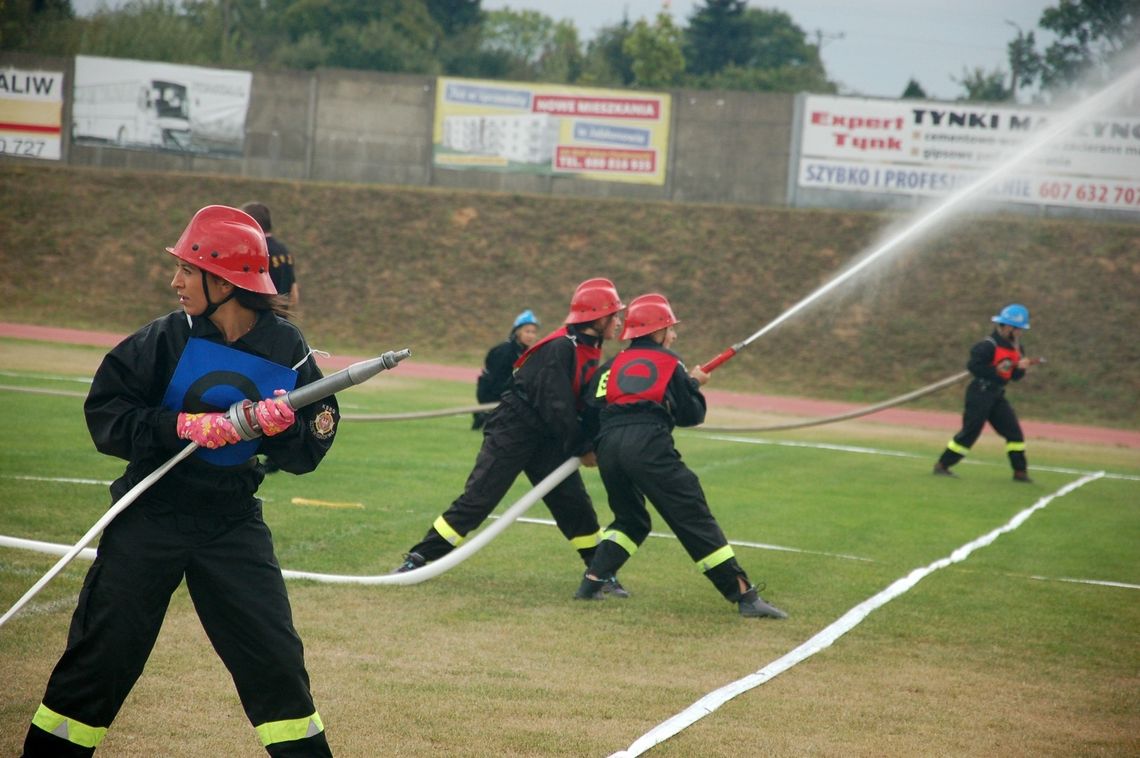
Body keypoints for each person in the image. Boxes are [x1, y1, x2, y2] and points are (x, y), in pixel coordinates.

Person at [22, 206, 340, 757]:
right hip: (151, 516)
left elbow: (311, 446)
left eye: (187, 271)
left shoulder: (288, 350)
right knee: (100, 659)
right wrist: (182, 426)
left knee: (276, 663)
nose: (175, 282)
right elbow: (107, 415)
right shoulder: (161, 341)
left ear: (225, 281)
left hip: (231, 524)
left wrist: (283, 429)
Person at [395, 278, 628, 596]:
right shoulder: (561, 347)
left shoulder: (589, 347)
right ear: (599, 319)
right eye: (615, 315)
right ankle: (419, 558)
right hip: (515, 431)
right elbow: (557, 403)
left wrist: (594, 438)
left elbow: (578, 404)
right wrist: (582, 447)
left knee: (575, 506)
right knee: (478, 500)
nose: (619, 322)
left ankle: (600, 574)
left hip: (548, 436)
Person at [575, 294, 787, 619]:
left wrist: (591, 447)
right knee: (693, 516)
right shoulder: (669, 361)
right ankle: (744, 596)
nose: (673, 335)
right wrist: (693, 386)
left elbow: (592, 406)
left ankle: (591, 583)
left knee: (631, 520)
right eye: (670, 329)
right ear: (658, 332)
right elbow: (691, 415)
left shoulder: (610, 366)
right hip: (647, 446)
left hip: (609, 447)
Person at [933, 303, 1043, 482]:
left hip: (997, 395)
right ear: (1007, 327)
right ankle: (942, 465)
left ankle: (1020, 472)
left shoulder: (1018, 350)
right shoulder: (987, 345)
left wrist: (1022, 368)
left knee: (1014, 434)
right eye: (1018, 329)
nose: (1020, 333)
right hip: (980, 392)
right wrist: (997, 371)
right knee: (971, 431)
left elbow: (1014, 377)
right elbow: (974, 367)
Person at [472, 309, 540, 430]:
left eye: (533, 332)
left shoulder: (526, 352)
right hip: (492, 393)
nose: (531, 335)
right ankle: (483, 415)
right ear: (518, 332)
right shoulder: (504, 351)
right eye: (527, 331)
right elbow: (495, 380)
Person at [241, 201, 299, 311]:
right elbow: (294, 296)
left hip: (259, 321)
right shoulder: (284, 250)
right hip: (280, 321)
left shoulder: (254, 251)